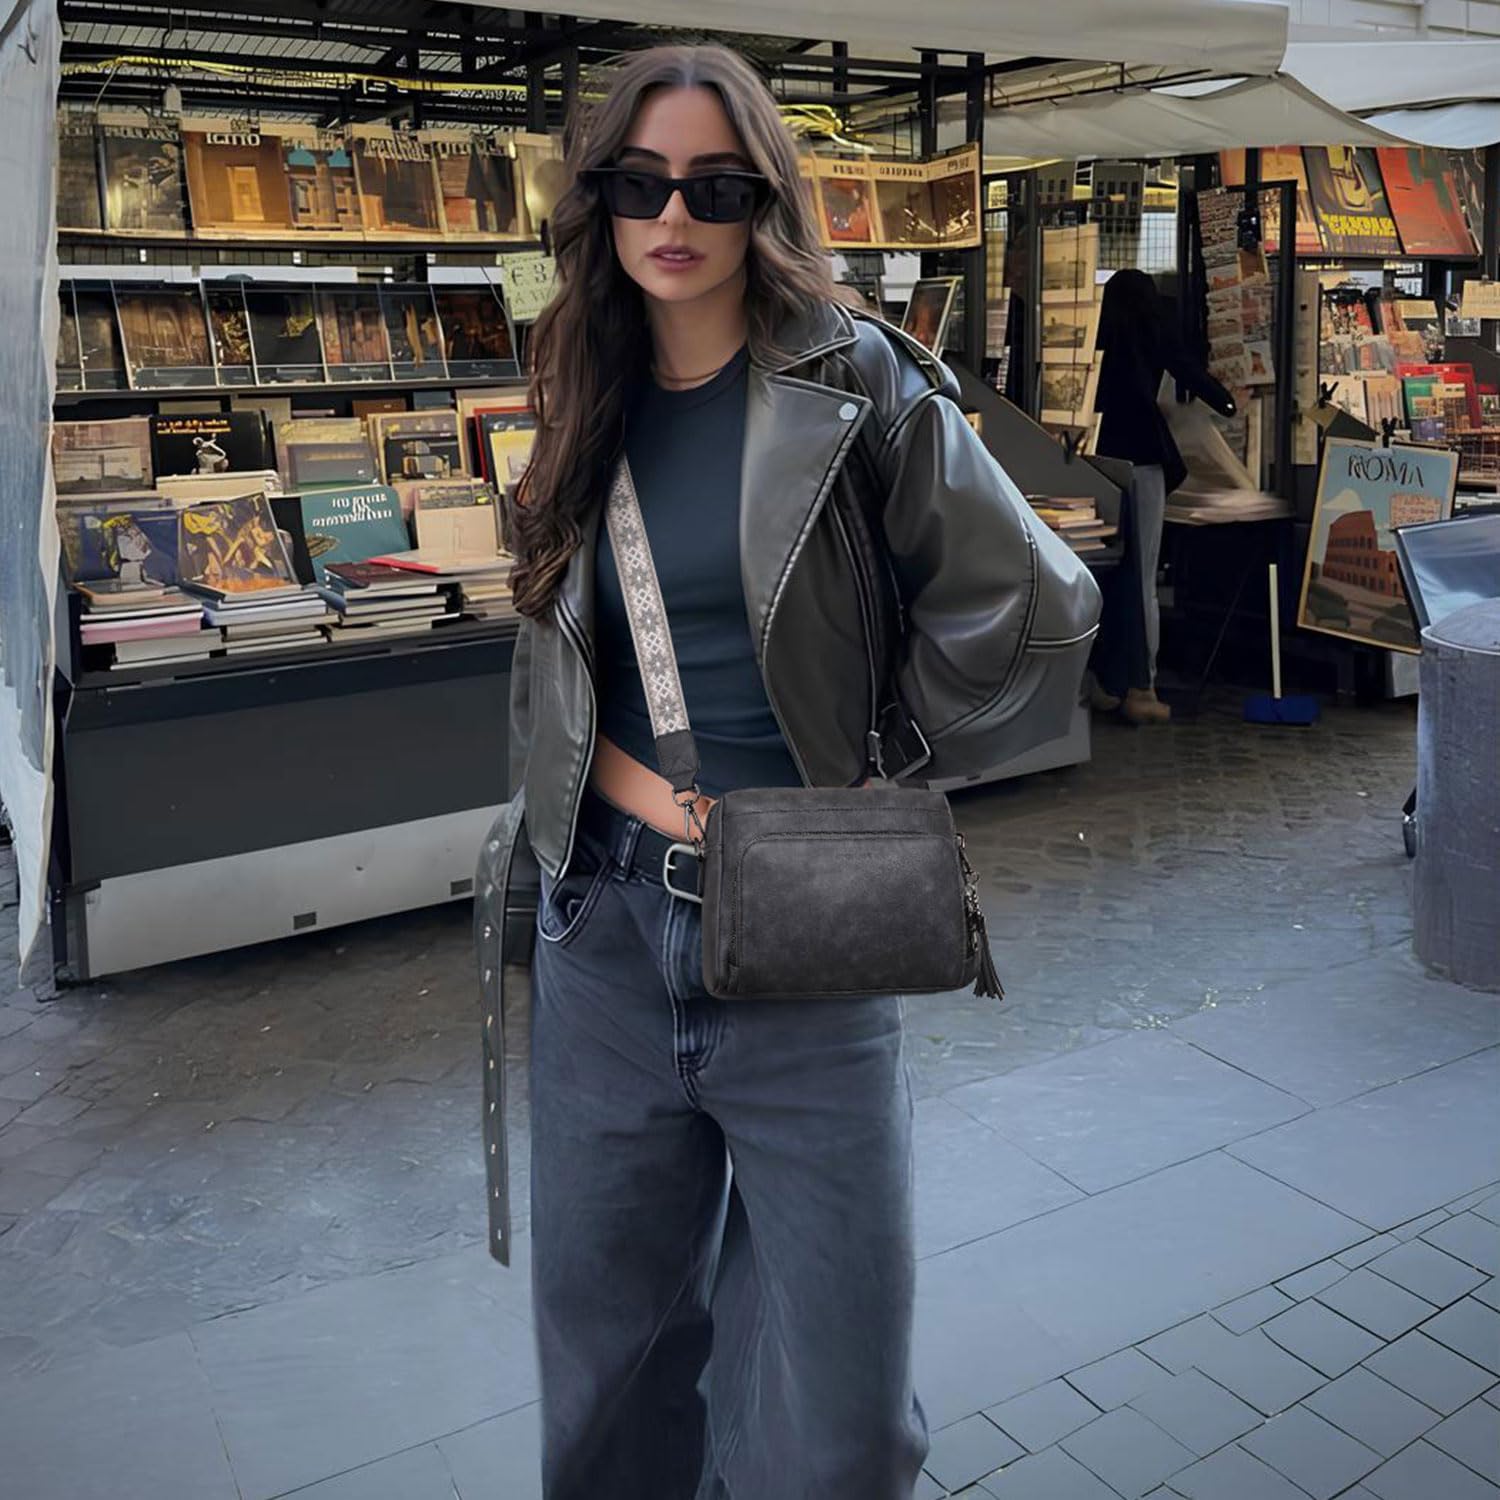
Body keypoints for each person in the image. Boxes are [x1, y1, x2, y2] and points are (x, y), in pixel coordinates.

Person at [476, 44, 1100, 1500]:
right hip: (603, 933)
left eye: (715, 186)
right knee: (609, 1396)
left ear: (765, 201)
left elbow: (1038, 601)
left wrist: (888, 760)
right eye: (639, 183)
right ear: (598, 200)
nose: (672, 215)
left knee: (841, 1427)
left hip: (808, 948)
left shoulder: (854, 376)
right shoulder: (577, 380)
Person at [1090, 268, 1235, 723]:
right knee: (1143, 575)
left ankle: (1105, 679)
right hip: (1144, 461)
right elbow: (1189, 371)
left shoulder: (1097, 336)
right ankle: (1143, 683)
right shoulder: (1154, 331)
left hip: (1095, 460)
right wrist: (1228, 402)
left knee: (1106, 570)